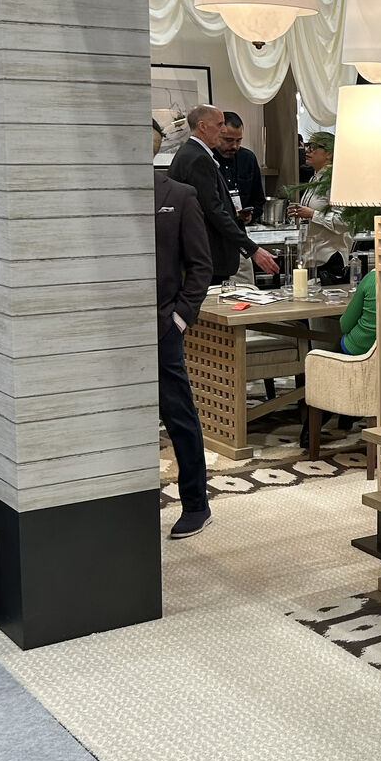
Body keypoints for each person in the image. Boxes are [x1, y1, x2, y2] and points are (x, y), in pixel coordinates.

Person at [153, 120, 214, 540]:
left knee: (179, 416)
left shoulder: (178, 195)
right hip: (108, 331)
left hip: (161, 327)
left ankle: (196, 503)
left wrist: (179, 319)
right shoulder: (99, 195)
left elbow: (200, 266)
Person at [169, 105, 279, 284]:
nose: (223, 129)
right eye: (219, 124)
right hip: (206, 253)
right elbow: (214, 210)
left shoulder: (192, 153)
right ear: (203, 126)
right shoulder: (198, 158)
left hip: (205, 252)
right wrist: (253, 249)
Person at [287, 132, 351, 281]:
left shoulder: (336, 181)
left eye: (314, 146)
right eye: (308, 145)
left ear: (329, 154)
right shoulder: (315, 178)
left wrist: (311, 214)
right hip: (311, 257)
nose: (307, 150)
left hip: (330, 260)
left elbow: (344, 222)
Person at [215, 112, 266, 225]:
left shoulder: (248, 158)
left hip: (242, 228)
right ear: (217, 134)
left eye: (238, 140)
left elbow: (259, 199)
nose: (234, 146)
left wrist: (250, 216)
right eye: (228, 140)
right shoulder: (207, 159)